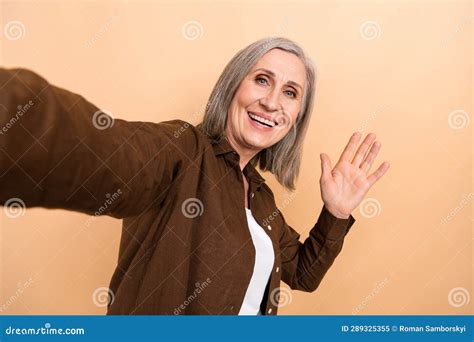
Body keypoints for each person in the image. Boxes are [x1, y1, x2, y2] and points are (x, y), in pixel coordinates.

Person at [0, 37, 390, 315]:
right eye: (262, 79)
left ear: (296, 120)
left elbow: (303, 273)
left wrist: (335, 212)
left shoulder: (261, 198)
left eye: (291, 93)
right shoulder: (181, 150)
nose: (272, 102)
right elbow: (102, 152)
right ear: (232, 85)